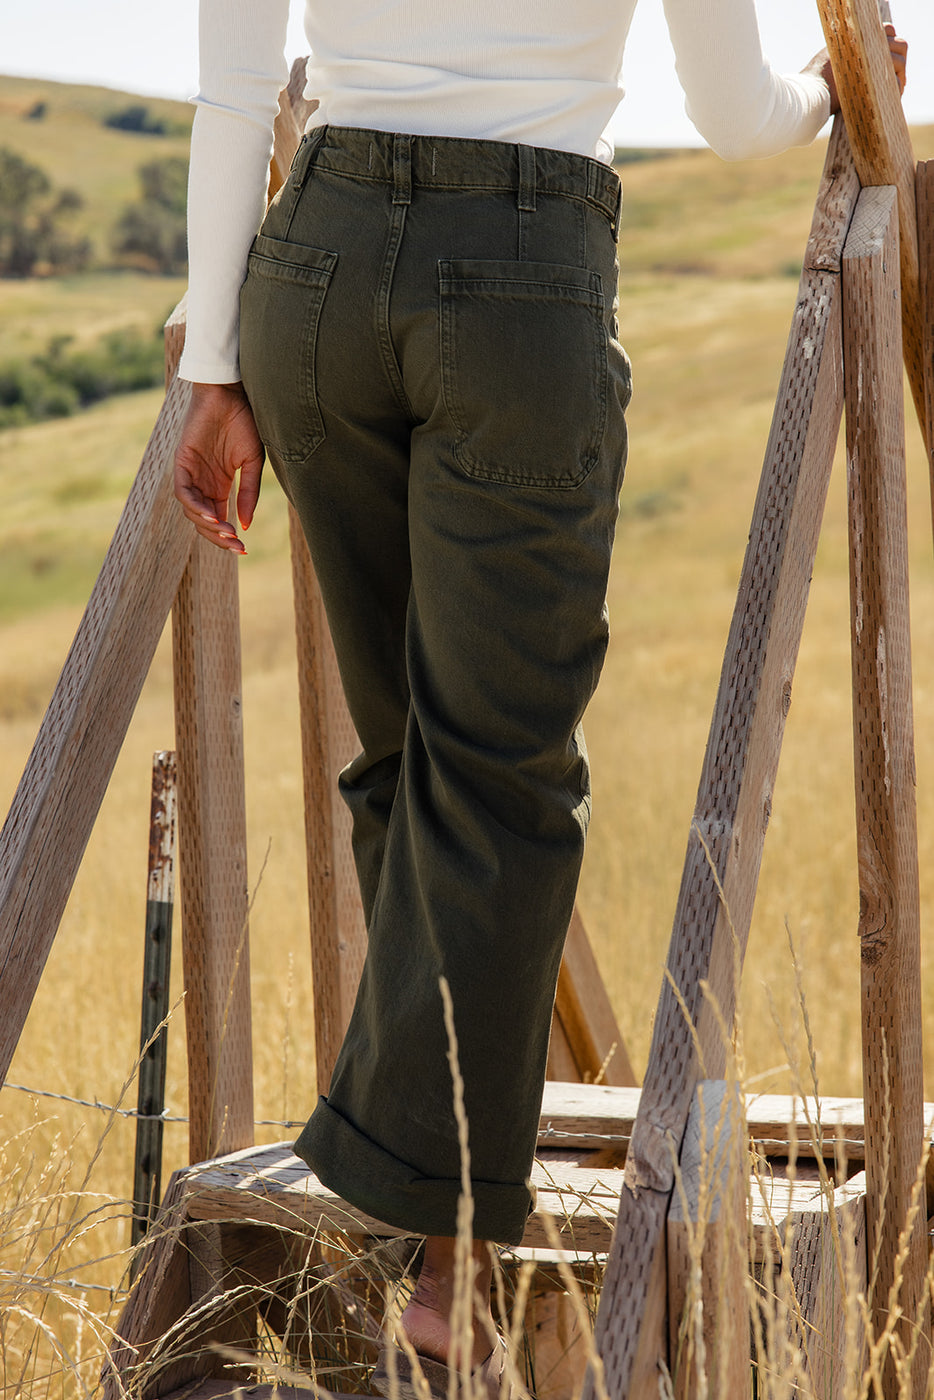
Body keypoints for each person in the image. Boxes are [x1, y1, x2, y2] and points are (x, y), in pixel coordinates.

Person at [173, 4, 907, 1395]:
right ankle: (446, 1260)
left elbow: (228, 90)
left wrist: (214, 362)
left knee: (406, 758)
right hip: (516, 272)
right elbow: (732, 113)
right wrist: (834, 85)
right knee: (499, 779)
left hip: (313, 274)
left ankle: (401, 1193)